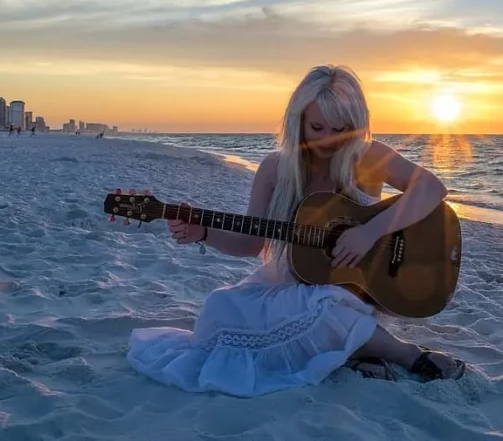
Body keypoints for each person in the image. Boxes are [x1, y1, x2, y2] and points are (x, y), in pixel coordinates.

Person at [127, 64, 465, 397]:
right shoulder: (275, 168)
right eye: (318, 127)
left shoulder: (367, 156)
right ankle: (357, 350)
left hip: (355, 287)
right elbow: (250, 243)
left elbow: (432, 189)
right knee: (217, 310)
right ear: (298, 119)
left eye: (341, 128)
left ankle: (407, 354)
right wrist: (203, 233)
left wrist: (370, 232)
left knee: (324, 308)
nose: (329, 139)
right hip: (293, 280)